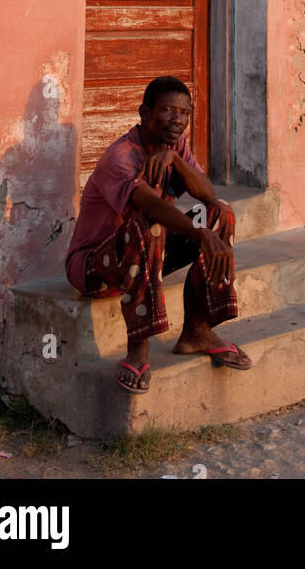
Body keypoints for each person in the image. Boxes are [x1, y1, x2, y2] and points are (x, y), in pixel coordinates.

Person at [65, 76, 252, 392]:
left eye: (184, 112)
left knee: (220, 212)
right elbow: (150, 206)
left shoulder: (174, 146)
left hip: (147, 255)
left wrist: (177, 159)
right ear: (144, 113)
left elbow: (208, 192)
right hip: (94, 268)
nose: (177, 119)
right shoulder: (121, 156)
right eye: (167, 110)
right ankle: (138, 347)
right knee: (148, 224)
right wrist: (200, 235)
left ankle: (198, 330)